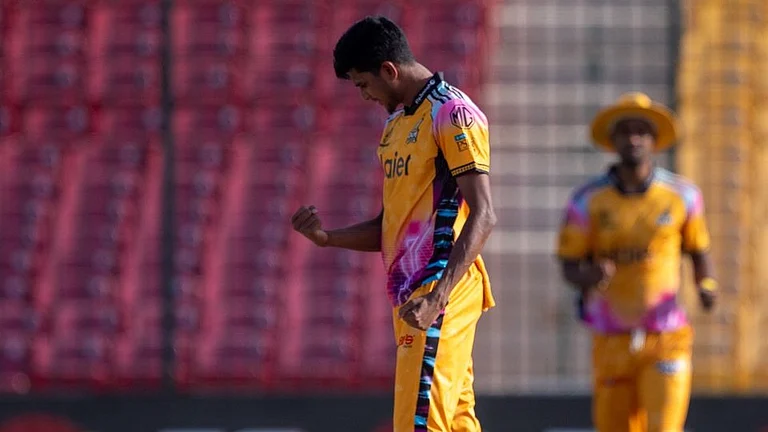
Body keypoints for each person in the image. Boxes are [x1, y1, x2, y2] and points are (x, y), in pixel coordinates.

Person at [290, 16, 497, 432]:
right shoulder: (396, 126)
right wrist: (327, 238)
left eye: (363, 84)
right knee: (457, 422)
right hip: (413, 295)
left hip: (439, 289)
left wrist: (437, 298)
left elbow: (484, 213)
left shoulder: (452, 114)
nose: (364, 95)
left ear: (389, 70)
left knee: (419, 425)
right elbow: (391, 226)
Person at [556, 92, 718, 432]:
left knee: (664, 427)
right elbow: (569, 264)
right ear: (612, 140)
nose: (633, 139)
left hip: (666, 335)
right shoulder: (588, 200)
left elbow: (699, 251)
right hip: (611, 336)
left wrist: (706, 285)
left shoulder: (682, 196)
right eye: (625, 131)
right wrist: (590, 275)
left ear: (654, 140)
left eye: (641, 131)